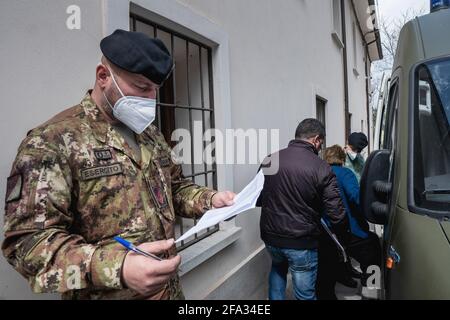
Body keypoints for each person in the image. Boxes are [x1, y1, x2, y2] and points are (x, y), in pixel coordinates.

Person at [2, 29, 235, 300]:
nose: (150, 99)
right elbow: (27, 243)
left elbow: (175, 189)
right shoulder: (53, 141)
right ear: (103, 76)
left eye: (155, 90)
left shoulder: (150, 135)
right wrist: (118, 267)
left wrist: (210, 200)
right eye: (141, 87)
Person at [257, 119, 349, 300]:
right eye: (321, 143)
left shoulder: (270, 159)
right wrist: (343, 236)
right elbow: (336, 213)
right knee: (305, 295)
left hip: (271, 237)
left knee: (277, 269)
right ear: (316, 139)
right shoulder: (321, 167)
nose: (321, 147)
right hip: (301, 241)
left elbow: (259, 197)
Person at [320, 145, 381, 296]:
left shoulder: (319, 173)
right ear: (341, 158)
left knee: (327, 269)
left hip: (325, 231)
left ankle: (339, 280)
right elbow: (356, 198)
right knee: (373, 251)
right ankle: (372, 291)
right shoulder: (345, 173)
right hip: (349, 229)